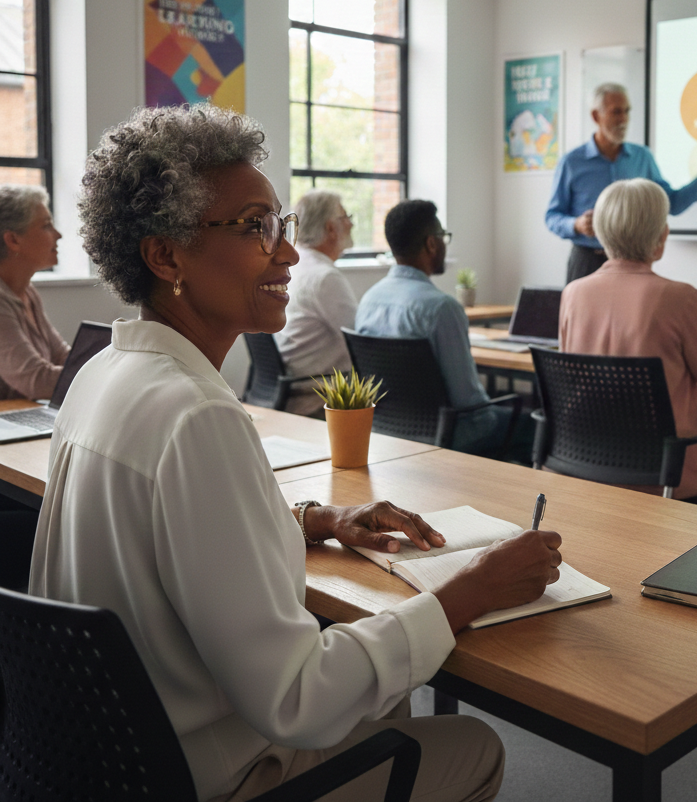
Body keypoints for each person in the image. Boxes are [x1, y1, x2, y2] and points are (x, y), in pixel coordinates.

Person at [29, 105, 562, 802]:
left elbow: (177, 531)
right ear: (166, 256)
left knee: (390, 701)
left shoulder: (101, 373)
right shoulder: (198, 417)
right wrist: (472, 589)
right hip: (215, 773)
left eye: (278, 225)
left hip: (113, 759)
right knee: (475, 745)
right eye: (255, 227)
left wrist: (317, 519)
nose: (285, 253)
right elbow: (297, 697)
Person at [559, 178, 697, 501]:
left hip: (586, 467)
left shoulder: (573, 294)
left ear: (600, 233)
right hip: (668, 477)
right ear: (662, 236)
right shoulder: (681, 298)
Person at [355, 200, 530, 461]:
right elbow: (468, 402)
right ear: (431, 244)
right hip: (449, 434)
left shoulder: (368, 300)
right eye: (443, 236)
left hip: (388, 429)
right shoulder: (442, 308)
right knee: (534, 424)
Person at [545, 83, 697, 283]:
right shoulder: (572, 162)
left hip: (632, 266)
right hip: (587, 261)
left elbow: (673, 204)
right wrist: (575, 224)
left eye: (627, 111)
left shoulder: (642, 157)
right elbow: (552, 216)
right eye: (616, 112)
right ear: (595, 116)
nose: (623, 119)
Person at [274, 189, 359, 415]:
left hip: (290, 389)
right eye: (346, 217)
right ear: (331, 228)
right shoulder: (324, 277)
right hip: (316, 399)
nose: (351, 223)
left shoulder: (296, 265)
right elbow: (361, 344)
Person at [0, 184, 70, 401]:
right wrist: (104, 376)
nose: (58, 235)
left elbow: (64, 357)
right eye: (46, 226)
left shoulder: (27, 292)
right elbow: (38, 382)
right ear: (13, 240)